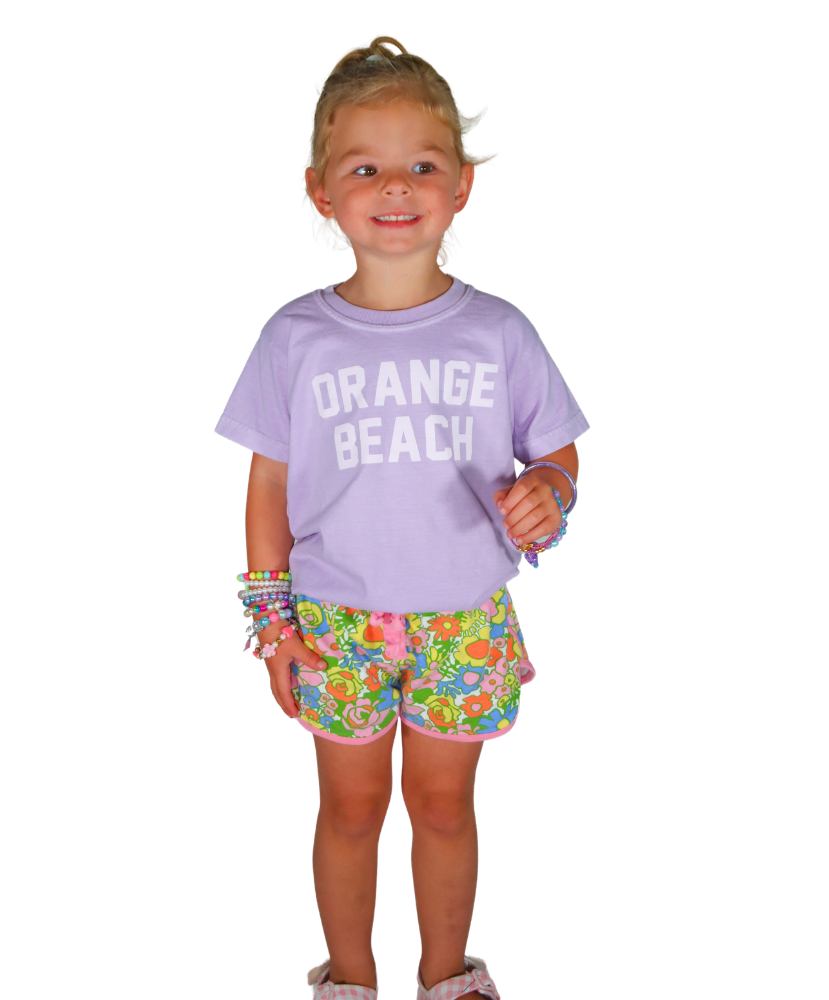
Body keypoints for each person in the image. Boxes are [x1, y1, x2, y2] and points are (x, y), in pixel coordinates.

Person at [214, 34, 590, 1000]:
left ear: (460, 186)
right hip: (333, 621)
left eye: (422, 164)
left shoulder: (499, 329)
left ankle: (444, 977)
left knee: (443, 807)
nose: (395, 185)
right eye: (365, 166)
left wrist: (550, 490)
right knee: (349, 809)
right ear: (319, 192)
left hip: (464, 619)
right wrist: (272, 628)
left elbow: (557, 451)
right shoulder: (294, 334)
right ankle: (345, 979)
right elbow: (265, 490)